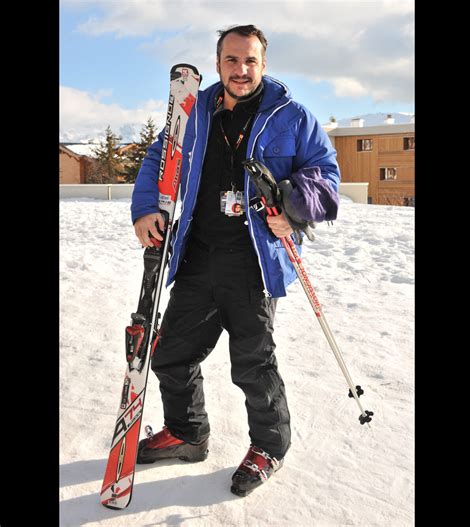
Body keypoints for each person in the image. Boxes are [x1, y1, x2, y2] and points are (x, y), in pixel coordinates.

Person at [131, 24, 340, 497]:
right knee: (171, 354)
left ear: (263, 64)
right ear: (218, 62)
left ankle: (269, 446)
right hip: (198, 254)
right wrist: (145, 207)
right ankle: (187, 433)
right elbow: (158, 157)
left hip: (255, 261)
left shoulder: (292, 116)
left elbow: (326, 178)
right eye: (231, 60)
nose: (241, 70)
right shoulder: (193, 112)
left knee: (252, 363)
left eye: (250, 61)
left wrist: (292, 206)